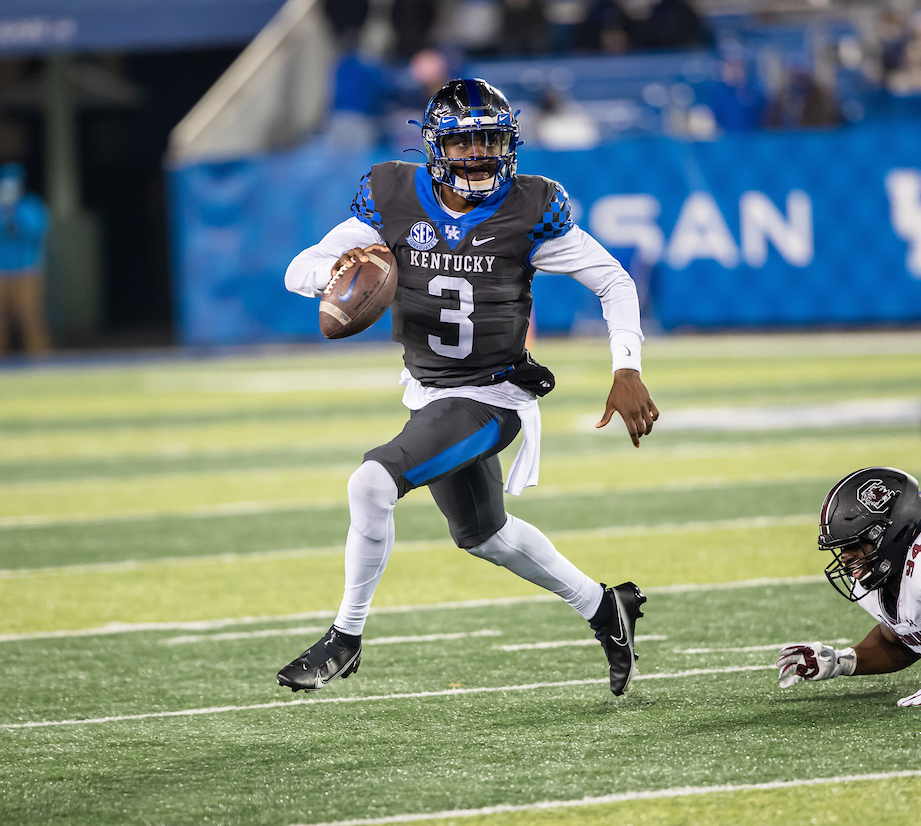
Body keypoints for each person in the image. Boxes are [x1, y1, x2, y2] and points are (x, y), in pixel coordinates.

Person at [280, 78, 659, 697]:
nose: (479, 155)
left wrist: (626, 368)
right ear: (435, 146)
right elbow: (300, 269)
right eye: (464, 143)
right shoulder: (392, 195)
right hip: (429, 392)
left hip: (493, 395)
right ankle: (603, 606)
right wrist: (346, 271)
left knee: (371, 482)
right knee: (486, 535)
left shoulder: (531, 206)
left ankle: (344, 639)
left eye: (490, 140)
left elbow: (614, 282)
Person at [777, 468, 921, 707]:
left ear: (893, 533)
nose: (845, 557)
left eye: (853, 544)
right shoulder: (879, 579)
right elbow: (900, 639)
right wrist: (843, 662)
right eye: (842, 548)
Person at [0, 162, 51, 356]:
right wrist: (1, 215)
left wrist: (15, 214)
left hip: (27, 269)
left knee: (29, 317)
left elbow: (38, 230)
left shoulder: (30, 205)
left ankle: (41, 361)